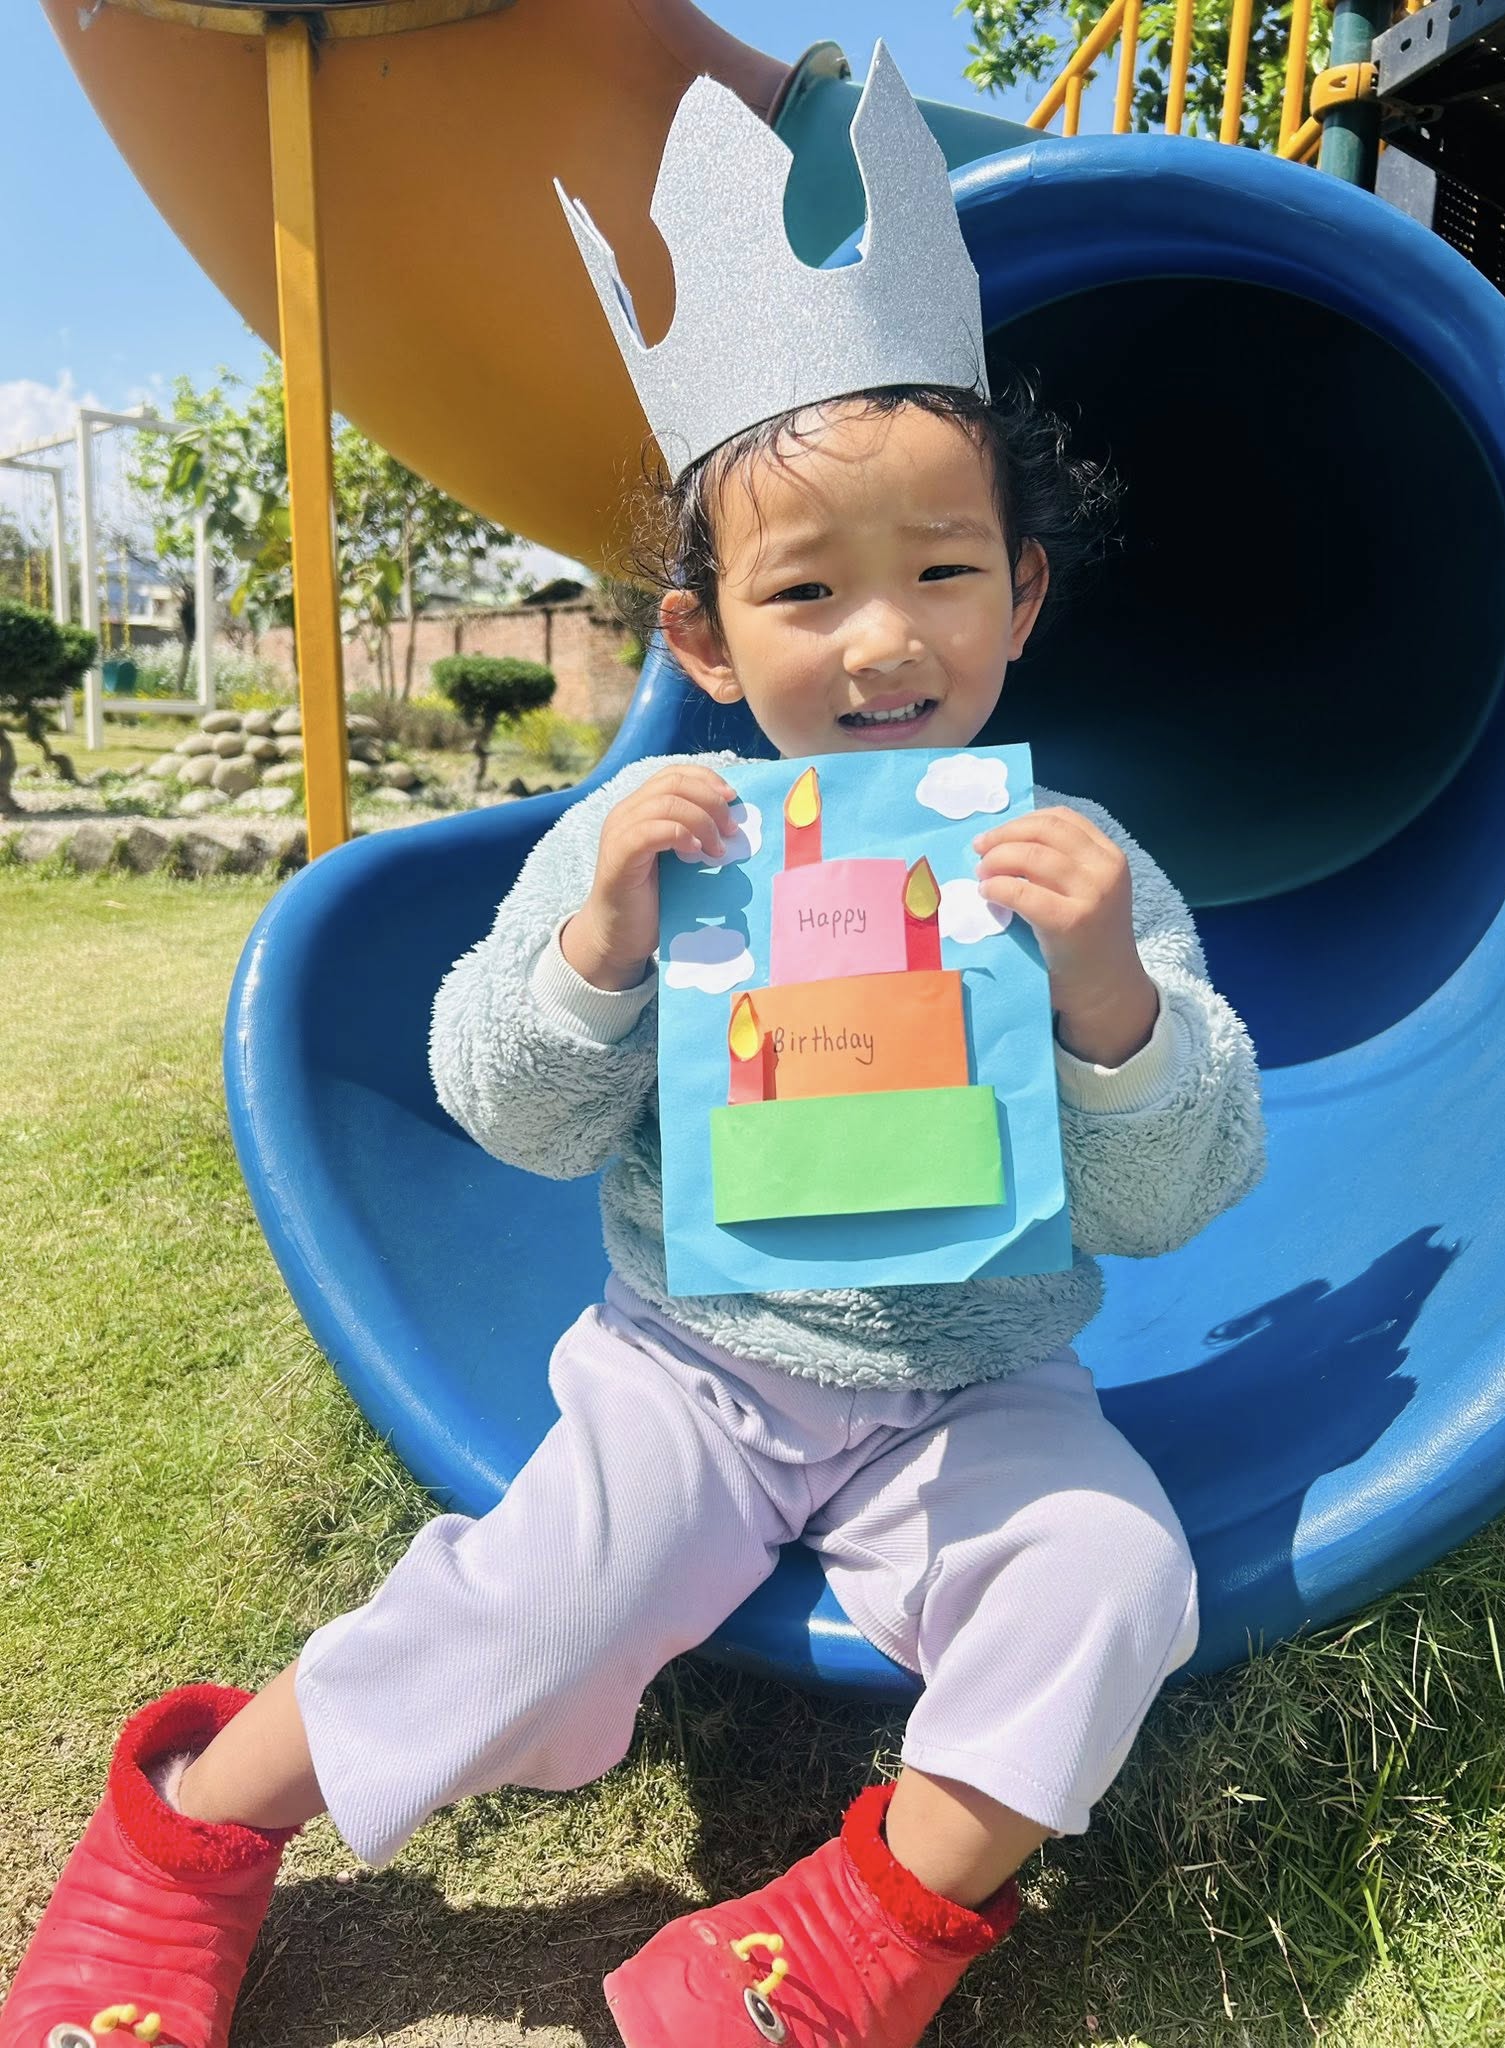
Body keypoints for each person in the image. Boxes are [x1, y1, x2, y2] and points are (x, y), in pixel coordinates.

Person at [0, 47, 1265, 2048]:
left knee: (1112, 1569)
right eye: (807, 590)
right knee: (537, 1604)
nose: (881, 639)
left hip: (977, 1391)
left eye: (943, 572)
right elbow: (510, 1109)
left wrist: (1109, 995)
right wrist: (595, 942)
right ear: (701, 642)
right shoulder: (651, 846)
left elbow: (1184, 1189)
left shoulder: (1071, 868)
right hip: (696, 1368)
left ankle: (855, 1931)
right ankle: (187, 1827)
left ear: (1020, 597)